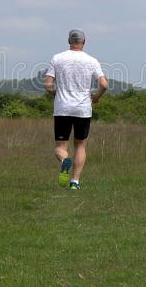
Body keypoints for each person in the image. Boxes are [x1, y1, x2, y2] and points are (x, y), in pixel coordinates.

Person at [44, 29, 108, 190]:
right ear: (84, 42)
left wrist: (56, 93)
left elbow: (48, 85)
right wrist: (96, 97)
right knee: (80, 145)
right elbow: (104, 84)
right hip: (83, 109)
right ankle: (75, 182)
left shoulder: (57, 58)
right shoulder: (92, 61)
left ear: (68, 41)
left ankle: (65, 160)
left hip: (62, 108)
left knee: (60, 148)